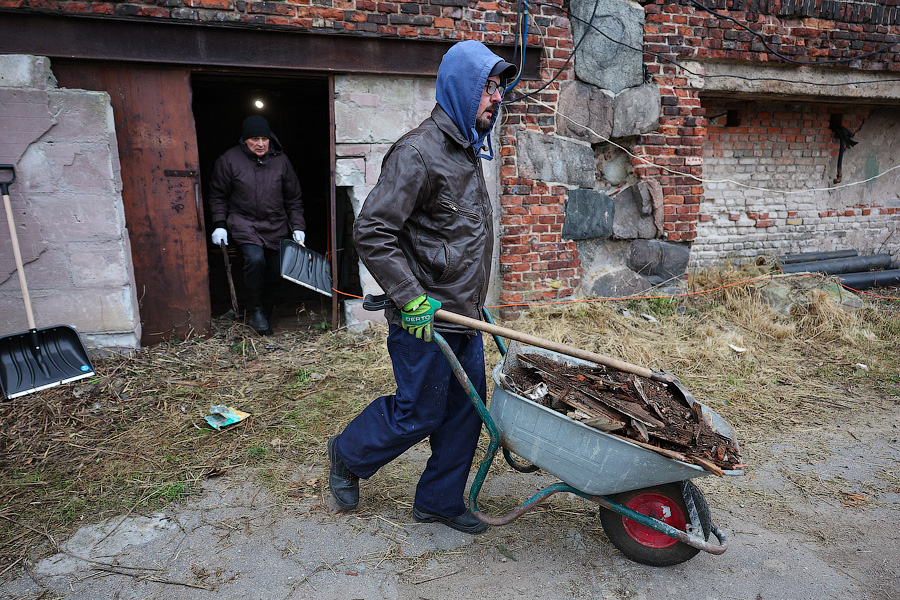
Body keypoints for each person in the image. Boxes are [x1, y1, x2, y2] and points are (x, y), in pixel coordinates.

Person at [327, 40, 516, 534]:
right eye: (489, 88)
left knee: (466, 413)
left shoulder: (466, 150)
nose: (497, 98)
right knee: (420, 412)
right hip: (424, 318)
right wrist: (410, 297)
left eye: (499, 88)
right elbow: (372, 230)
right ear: (462, 88)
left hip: (462, 315)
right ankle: (347, 453)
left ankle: (438, 501)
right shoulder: (418, 153)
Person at [208, 115, 305, 335]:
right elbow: (218, 195)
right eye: (254, 139)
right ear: (244, 140)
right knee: (254, 260)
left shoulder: (281, 161)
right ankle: (255, 310)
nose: (260, 144)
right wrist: (220, 224)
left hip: (275, 224)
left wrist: (298, 227)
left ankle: (266, 309)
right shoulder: (229, 160)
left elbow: (293, 198)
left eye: (264, 138)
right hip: (244, 222)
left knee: (276, 269)